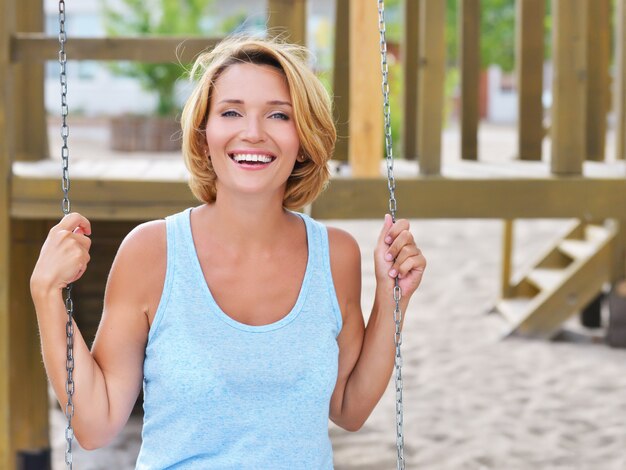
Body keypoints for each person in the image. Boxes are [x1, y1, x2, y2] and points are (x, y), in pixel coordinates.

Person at [30, 36, 426, 469]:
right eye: (231, 112)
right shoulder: (151, 252)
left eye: (278, 114)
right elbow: (96, 423)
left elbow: (348, 408)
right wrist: (47, 292)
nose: (252, 132)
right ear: (204, 135)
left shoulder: (336, 255)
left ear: (304, 139)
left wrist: (393, 298)